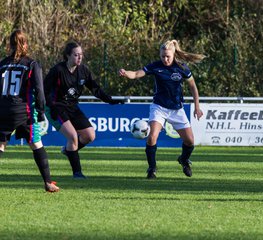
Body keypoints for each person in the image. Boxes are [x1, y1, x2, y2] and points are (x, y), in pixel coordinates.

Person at [119, 39, 204, 179]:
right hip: (159, 108)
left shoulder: (182, 68)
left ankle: (183, 160)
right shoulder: (156, 66)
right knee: (152, 136)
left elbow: (193, 87)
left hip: (177, 109)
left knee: (190, 141)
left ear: (174, 54)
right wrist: (125, 73)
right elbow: (135, 74)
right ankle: (152, 168)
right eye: (163, 56)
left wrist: (197, 107)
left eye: (168, 56)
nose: (165, 59)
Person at [44, 41, 122, 179]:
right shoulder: (58, 70)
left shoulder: (83, 71)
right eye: (76, 55)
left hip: (72, 107)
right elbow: (45, 91)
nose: (79, 57)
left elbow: (95, 89)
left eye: (81, 54)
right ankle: (77, 173)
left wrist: (110, 100)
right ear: (67, 55)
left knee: (90, 136)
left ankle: (69, 151)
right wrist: (52, 106)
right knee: (73, 136)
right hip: (56, 107)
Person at [0, 30, 59, 192]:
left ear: (10, 45)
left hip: (3, 110)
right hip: (23, 111)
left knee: (1, 145)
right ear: (25, 44)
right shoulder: (31, 64)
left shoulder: (2, 64)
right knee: (36, 144)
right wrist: (41, 111)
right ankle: (48, 182)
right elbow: (39, 90)